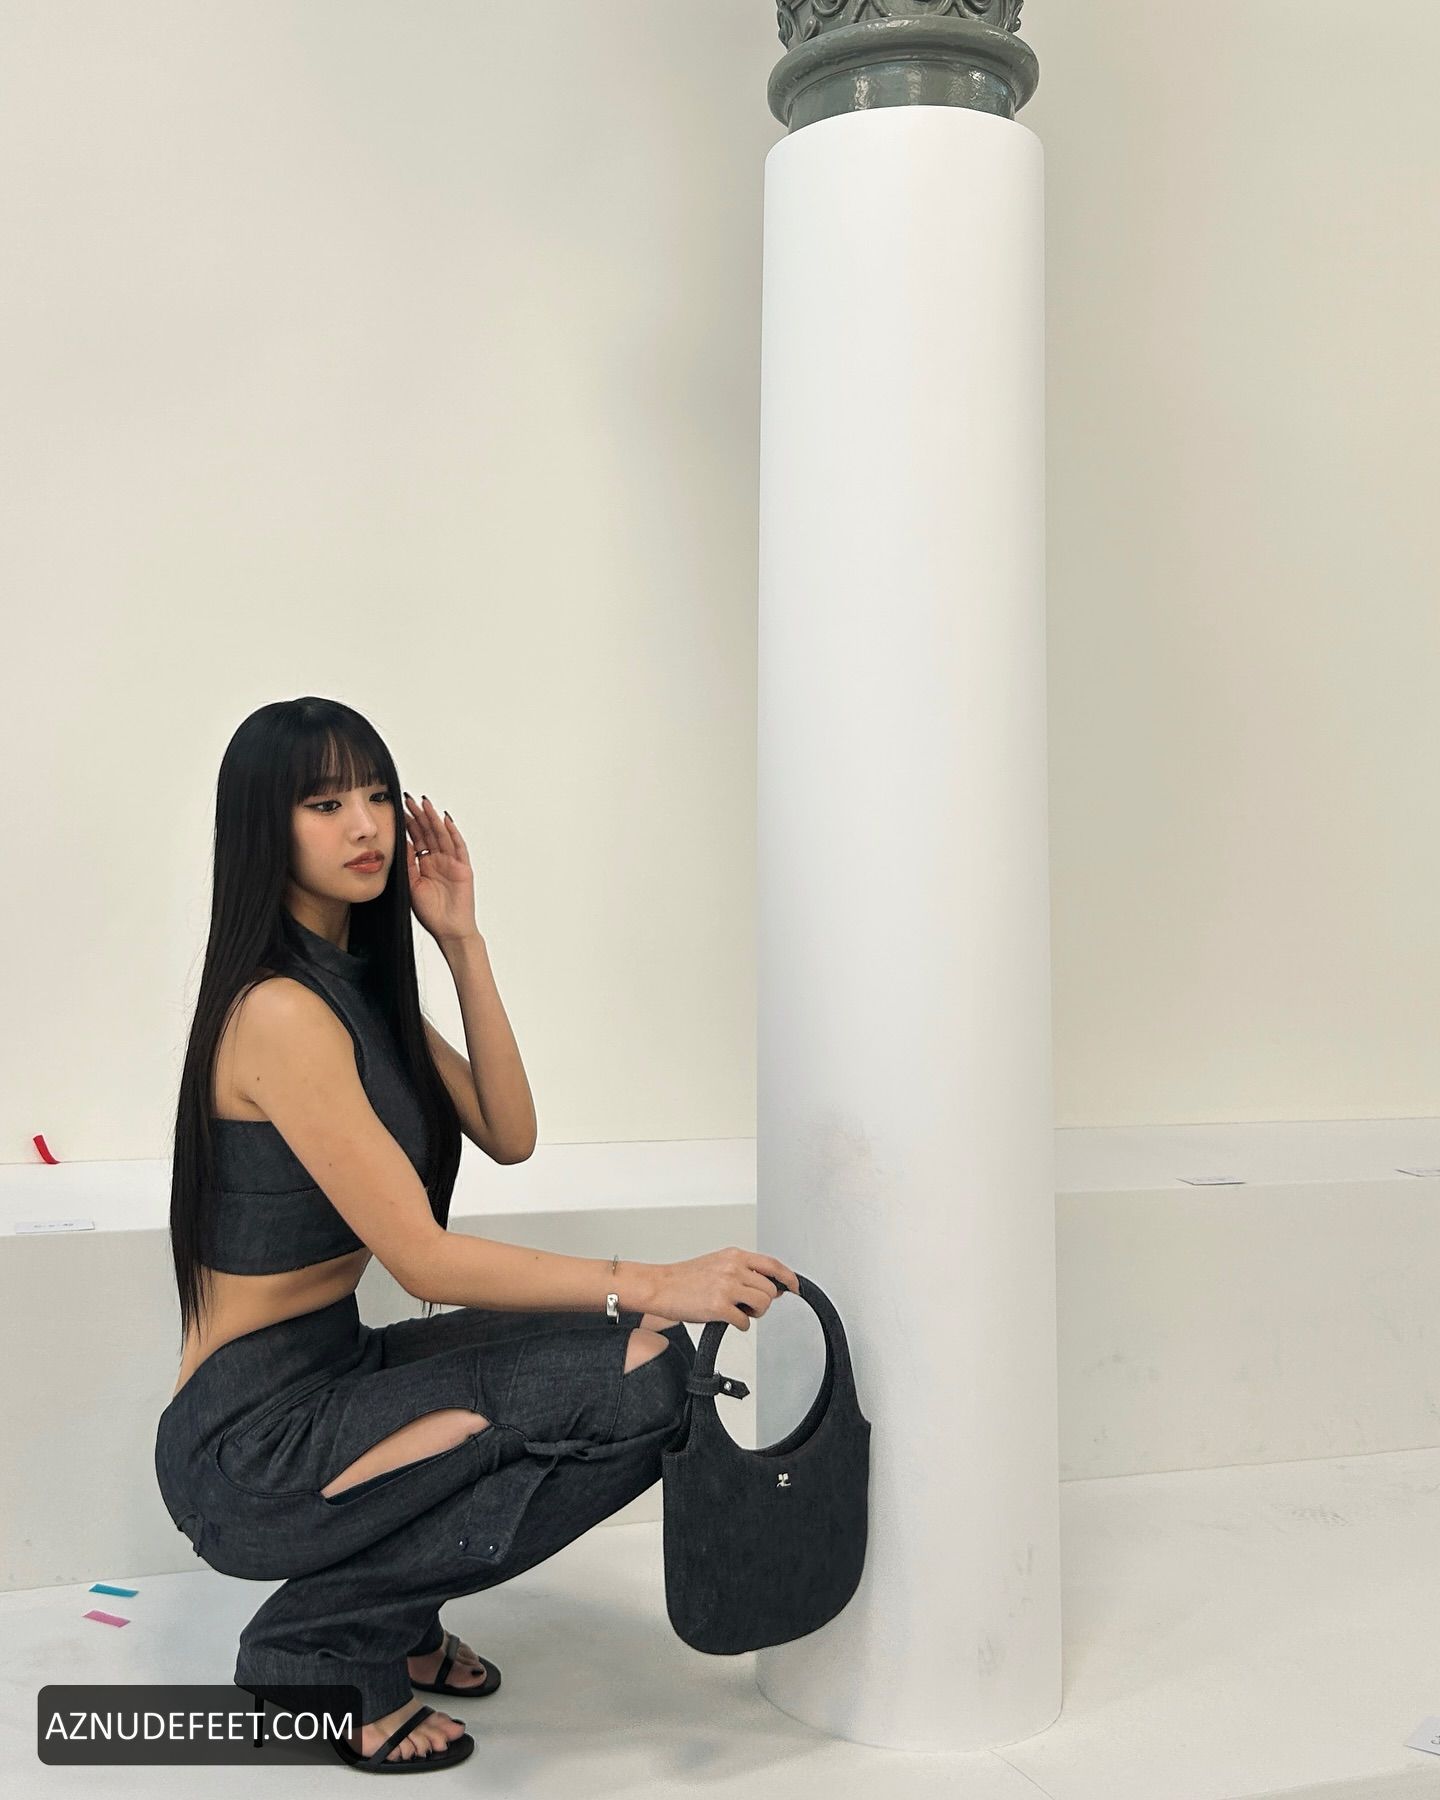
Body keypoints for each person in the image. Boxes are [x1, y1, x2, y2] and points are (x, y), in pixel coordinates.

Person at [153, 696, 798, 1773]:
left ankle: (397, 1617)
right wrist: (655, 1278)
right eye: (324, 803)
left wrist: (459, 939)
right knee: (643, 1377)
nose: (366, 824)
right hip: (251, 1443)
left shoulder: (353, 989)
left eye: (374, 794)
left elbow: (509, 1131)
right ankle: (316, 1645)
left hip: (333, 1369)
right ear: (266, 825)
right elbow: (422, 1259)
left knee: (644, 1359)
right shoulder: (278, 1012)